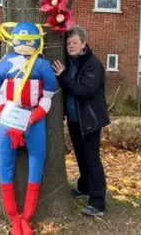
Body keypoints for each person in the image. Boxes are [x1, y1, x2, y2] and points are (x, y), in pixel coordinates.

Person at [52, 25, 110, 216]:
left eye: (75, 42)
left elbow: (85, 91)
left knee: (92, 159)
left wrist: (64, 77)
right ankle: (84, 187)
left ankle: (98, 202)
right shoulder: (70, 61)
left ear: (84, 43)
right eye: (68, 43)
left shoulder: (93, 64)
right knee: (80, 156)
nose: (70, 46)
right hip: (75, 120)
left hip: (90, 120)